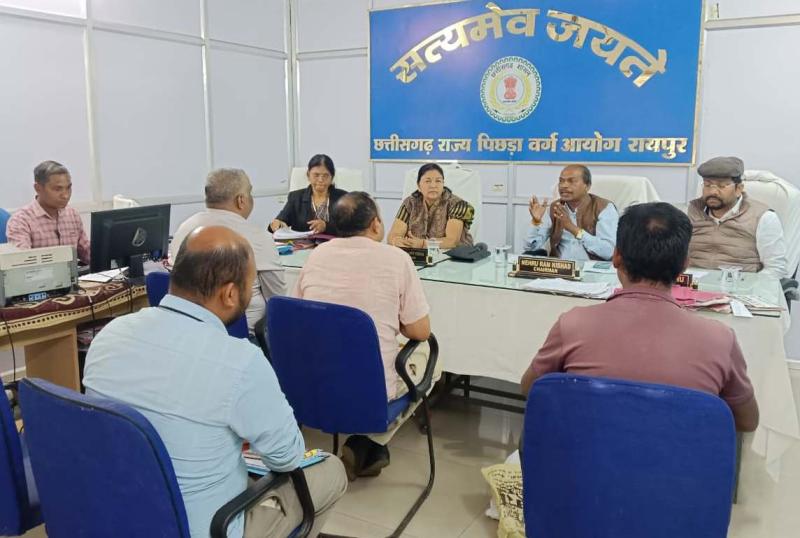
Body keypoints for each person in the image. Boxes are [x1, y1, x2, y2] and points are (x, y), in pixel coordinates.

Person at [83, 226, 347, 538]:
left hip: (114, 515)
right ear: (230, 294)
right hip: (203, 529)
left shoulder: (110, 334)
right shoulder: (241, 361)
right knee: (330, 470)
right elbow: (286, 458)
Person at [521, 202, 759, 432]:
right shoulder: (720, 339)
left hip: (585, 457)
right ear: (684, 265)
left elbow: (531, 389)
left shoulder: (573, 325)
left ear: (616, 257)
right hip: (677, 459)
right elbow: (747, 421)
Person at [293, 192, 436, 480]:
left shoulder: (317, 255)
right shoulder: (396, 259)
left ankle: (366, 449)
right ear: (375, 224)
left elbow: (300, 313)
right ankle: (367, 442)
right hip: (371, 391)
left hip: (314, 382)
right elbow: (420, 331)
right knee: (433, 358)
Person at [170, 168, 286, 334]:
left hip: (187, 329)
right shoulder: (258, 237)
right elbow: (277, 300)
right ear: (241, 200)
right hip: (243, 336)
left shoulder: (185, 228)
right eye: (250, 192)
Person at [688, 156, 787, 279]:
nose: (713, 192)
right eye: (707, 185)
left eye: (721, 186)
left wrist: (751, 286)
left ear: (738, 189)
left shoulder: (763, 217)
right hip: (693, 286)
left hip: (740, 286)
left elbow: (776, 268)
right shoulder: (691, 214)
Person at [523, 165, 618, 261]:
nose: (564, 186)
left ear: (587, 186)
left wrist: (573, 229)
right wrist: (536, 222)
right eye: (561, 181)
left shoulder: (604, 208)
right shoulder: (555, 207)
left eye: (571, 181)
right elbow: (530, 248)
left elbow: (609, 252)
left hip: (592, 268)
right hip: (559, 267)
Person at [6, 160, 90, 265]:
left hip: (72, 274)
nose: (65, 195)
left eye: (68, 188)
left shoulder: (72, 215)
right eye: (57, 189)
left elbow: (87, 253)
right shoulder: (20, 221)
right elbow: (22, 265)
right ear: (38, 188)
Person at [387, 163, 474, 248]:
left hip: (454, 255)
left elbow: (451, 242)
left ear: (443, 184)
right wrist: (398, 241)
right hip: (417, 254)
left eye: (438, 181)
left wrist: (423, 244)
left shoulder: (457, 204)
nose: (433, 185)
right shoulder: (410, 203)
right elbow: (392, 236)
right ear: (418, 185)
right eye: (427, 181)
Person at [269, 154, 347, 236]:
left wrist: (326, 226)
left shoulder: (344, 198)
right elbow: (281, 220)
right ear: (308, 175)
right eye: (316, 175)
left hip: (335, 243)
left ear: (332, 177)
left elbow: (351, 227)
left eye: (325, 175)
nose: (320, 180)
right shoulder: (296, 197)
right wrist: (277, 224)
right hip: (302, 243)